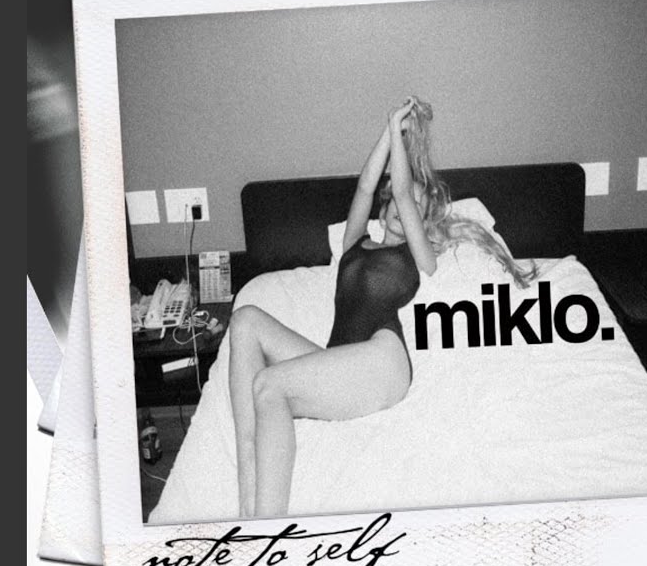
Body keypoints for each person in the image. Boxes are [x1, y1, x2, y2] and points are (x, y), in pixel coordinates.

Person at [229, 96, 537, 518]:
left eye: (415, 209)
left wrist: (398, 136)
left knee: (269, 384)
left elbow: (407, 197)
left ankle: (267, 527)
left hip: (382, 361)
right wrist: (387, 129)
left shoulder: (420, 256)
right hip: (339, 364)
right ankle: (247, 501)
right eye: (397, 201)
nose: (403, 208)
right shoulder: (354, 243)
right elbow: (364, 186)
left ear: (421, 223)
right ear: (385, 204)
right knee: (245, 319)